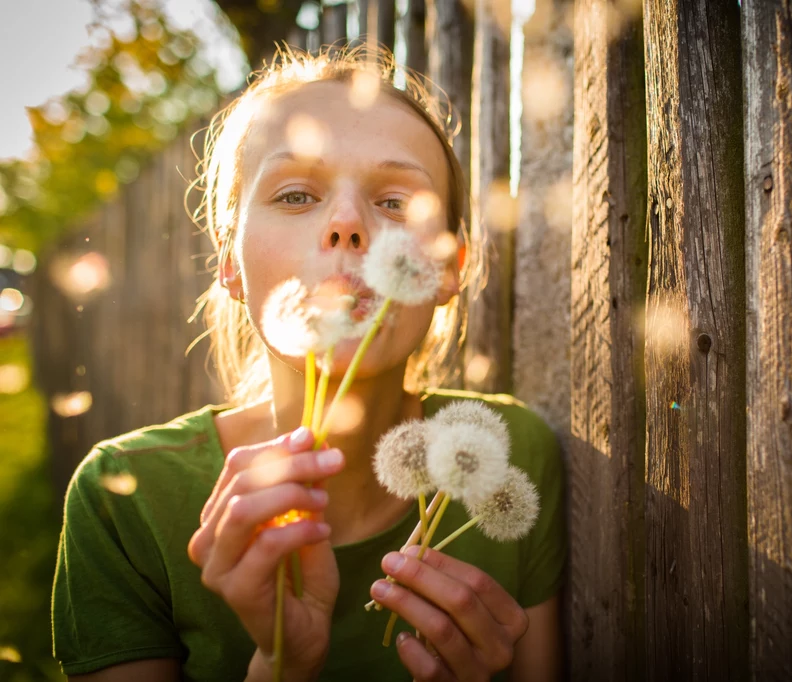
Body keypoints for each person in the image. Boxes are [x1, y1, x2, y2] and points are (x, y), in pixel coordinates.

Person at [51, 45, 565, 682]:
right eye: (295, 196)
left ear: (447, 269)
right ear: (230, 265)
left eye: (396, 203)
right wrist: (280, 668)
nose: (347, 223)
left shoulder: (516, 455)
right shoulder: (122, 501)